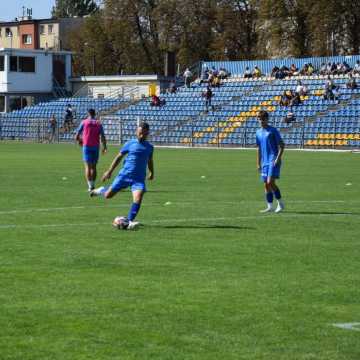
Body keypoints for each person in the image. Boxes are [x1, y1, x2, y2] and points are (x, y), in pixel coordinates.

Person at [90, 122, 154, 230]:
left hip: (138, 179)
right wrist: (109, 171)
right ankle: (101, 190)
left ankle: (128, 221)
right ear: (136, 132)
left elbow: (150, 160)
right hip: (124, 175)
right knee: (108, 195)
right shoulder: (130, 143)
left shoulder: (150, 147)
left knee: (138, 198)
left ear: (148, 133)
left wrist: (152, 172)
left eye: (144, 134)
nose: (141, 135)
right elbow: (119, 157)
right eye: (139, 133)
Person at [256, 110, 285, 213]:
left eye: (263, 119)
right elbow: (259, 148)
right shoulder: (258, 132)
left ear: (267, 119)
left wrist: (278, 158)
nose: (261, 121)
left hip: (273, 160)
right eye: (259, 119)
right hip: (265, 162)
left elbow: (282, 145)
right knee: (266, 184)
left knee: (270, 182)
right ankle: (270, 206)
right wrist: (258, 163)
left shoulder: (273, 130)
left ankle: (281, 204)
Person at [75, 109, 107, 192]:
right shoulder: (98, 123)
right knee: (94, 167)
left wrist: (80, 141)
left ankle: (90, 187)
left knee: (87, 167)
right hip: (96, 147)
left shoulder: (84, 122)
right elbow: (102, 136)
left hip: (87, 146)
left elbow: (77, 135)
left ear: (88, 114)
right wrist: (104, 147)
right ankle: (93, 185)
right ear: (95, 114)